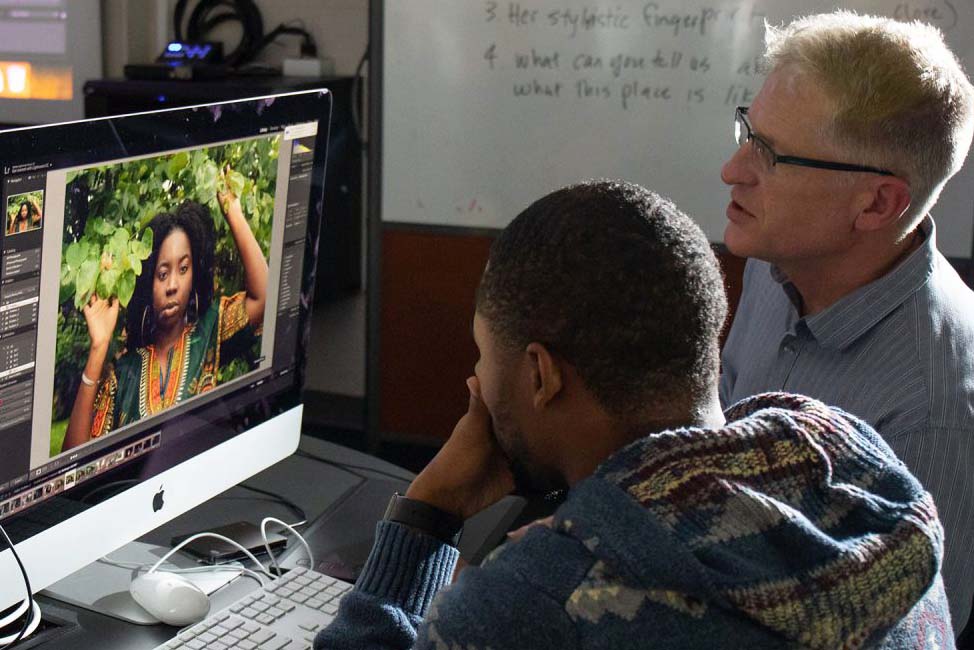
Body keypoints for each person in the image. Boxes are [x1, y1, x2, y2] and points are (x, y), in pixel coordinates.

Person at [315, 180, 952, 649]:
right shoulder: (853, 464)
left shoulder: (541, 599)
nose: (477, 381)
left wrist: (425, 515)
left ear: (542, 375)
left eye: (485, 355)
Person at [718, 11, 974, 631]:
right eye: (748, 131)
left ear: (878, 203)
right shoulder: (778, 261)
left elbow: (918, 632)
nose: (734, 170)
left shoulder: (932, 408)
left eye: (772, 155)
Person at [62, 182, 268, 451]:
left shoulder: (210, 331)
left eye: (183, 268)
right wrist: (99, 346)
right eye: (162, 274)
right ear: (148, 282)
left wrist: (234, 213)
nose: (173, 284)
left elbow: (263, 297)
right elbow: (72, 459)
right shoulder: (124, 375)